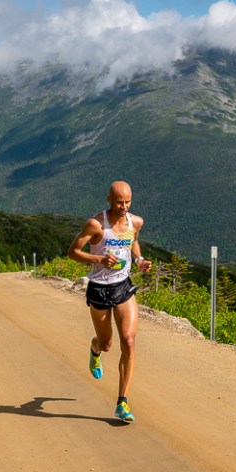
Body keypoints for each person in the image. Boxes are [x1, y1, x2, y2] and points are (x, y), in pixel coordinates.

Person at [67, 181, 151, 422]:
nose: (123, 207)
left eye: (127, 202)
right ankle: (95, 350)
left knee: (129, 341)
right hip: (100, 289)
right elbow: (72, 252)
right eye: (118, 202)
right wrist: (99, 260)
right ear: (108, 200)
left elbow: (133, 241)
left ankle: (122, 402)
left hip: (123, 286)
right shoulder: (96, 224)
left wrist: (139, 261)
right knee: (107, 344)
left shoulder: (136, 222)